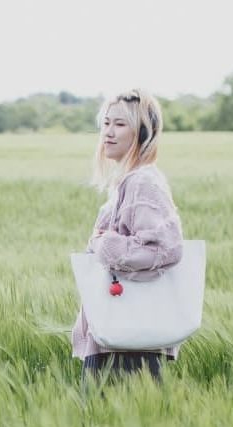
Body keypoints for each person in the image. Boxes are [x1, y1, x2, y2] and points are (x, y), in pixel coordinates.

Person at [71, 88, 184, 389]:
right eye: (106, 123)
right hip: (116, 334)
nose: (108, 132)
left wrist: (105, 244)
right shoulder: (128, 181)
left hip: (128, 340)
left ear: (143, 132)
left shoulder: (142, 182)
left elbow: (167, 248)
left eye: (119, 124)